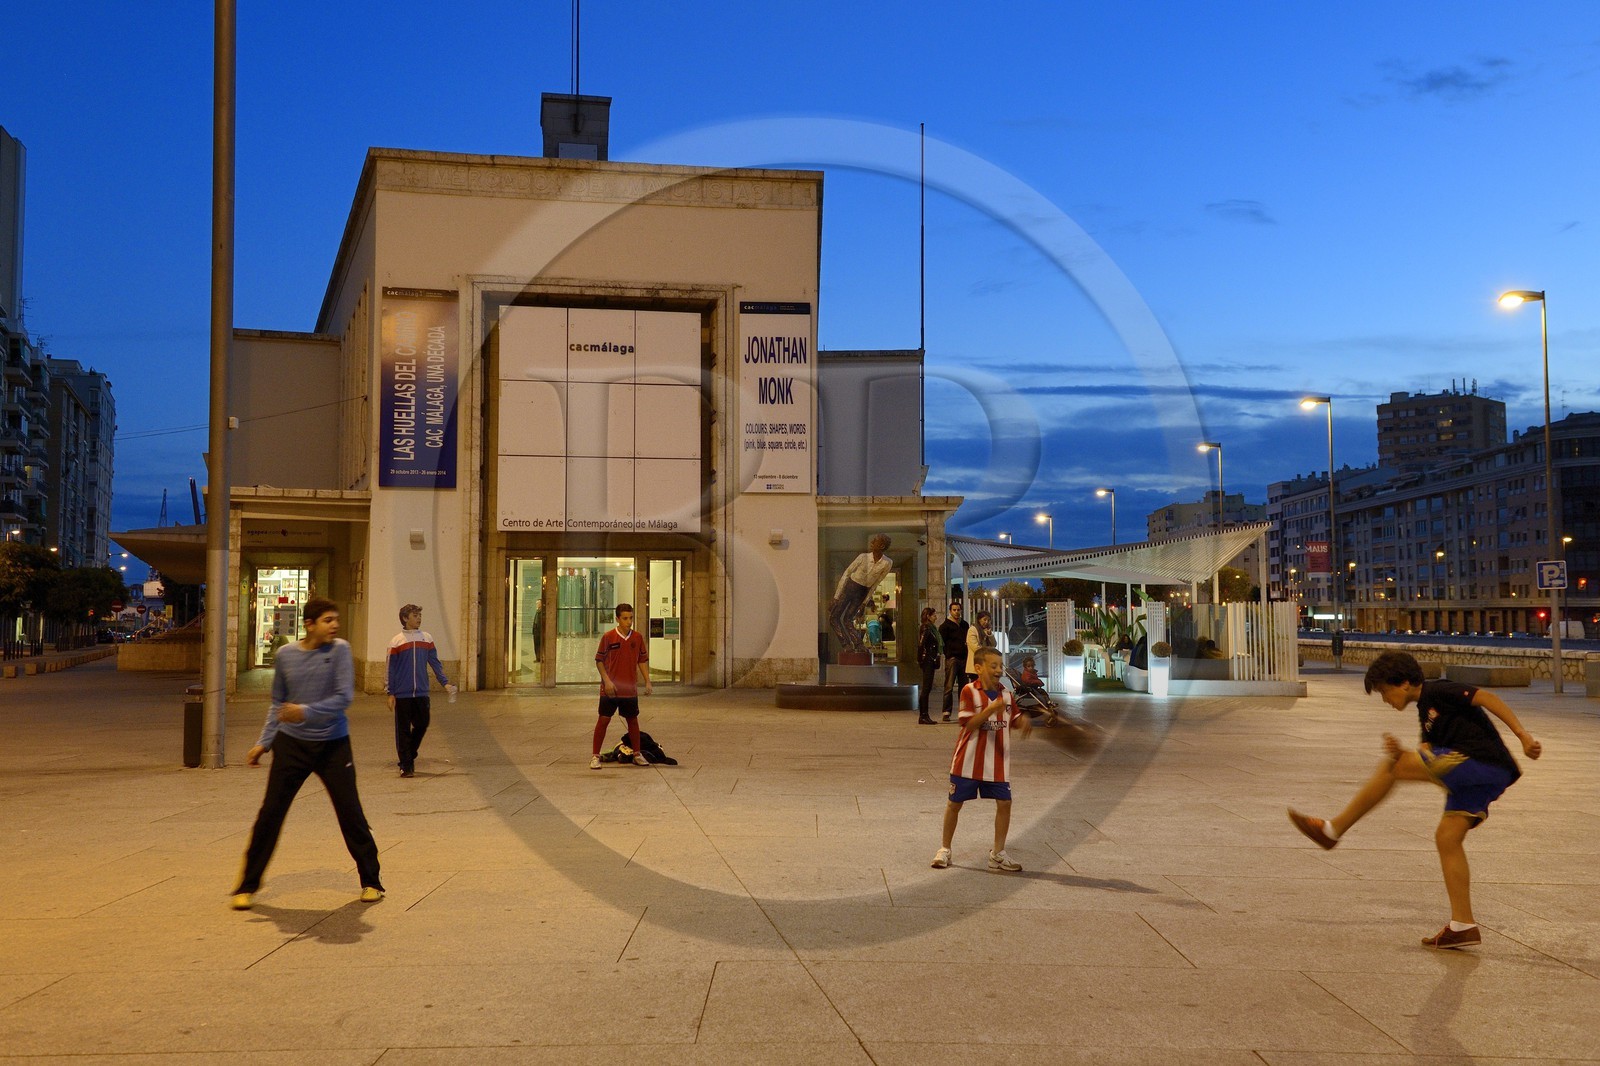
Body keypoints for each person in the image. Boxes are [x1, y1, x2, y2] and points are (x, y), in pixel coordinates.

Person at [1287, 650, 1542, 949]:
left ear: (1405, 683)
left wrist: (1523, 736)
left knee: (1390, 767)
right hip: (1486, 775)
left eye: (1384, 690)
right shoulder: (1426, 710)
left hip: (1480, 762)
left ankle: (1332, 830)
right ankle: (1463, 925)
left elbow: (1486, 697)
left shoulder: (1439, 690)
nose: (1384, 699)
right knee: (1447, 837)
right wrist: (1403, 752)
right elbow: (1427, 749)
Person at [232, 597, 383, 910]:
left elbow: (344, 697)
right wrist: (265, 742)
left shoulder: (340, 650)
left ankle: (371, 882)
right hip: (292, 745)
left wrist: (306, 712)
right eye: (328, 620)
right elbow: (278, 703)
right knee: (270, 814)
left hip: (333, 743)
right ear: (310, 624)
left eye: (336, 620)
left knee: (350, 812)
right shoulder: (286, 655)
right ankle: (246, 886)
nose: (335, 626)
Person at [931, 646, 1032, 871]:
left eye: (1000, 666)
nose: (998, 670)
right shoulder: (969, 691)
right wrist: (990, 710)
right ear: (978, 668)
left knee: (1005, 803)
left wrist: (1022, 722)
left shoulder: (1007, 694)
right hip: (967, 761)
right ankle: (944, 849)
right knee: (954, 803)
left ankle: (998, 853)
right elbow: (968, 723)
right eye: (993, 665)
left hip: (996, 763)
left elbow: (1013, 717)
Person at [384, 603, 457, 778]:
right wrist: (390, 692)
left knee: (423, 723)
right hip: (403, 693)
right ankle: (406, 765)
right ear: (405, 618)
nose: (419, 619)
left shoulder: (427, 638)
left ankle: (409, 753)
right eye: (415, 616)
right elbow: (390, 668)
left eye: (419, 616)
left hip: (422, 692)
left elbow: (435, 662)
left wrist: (445, 682)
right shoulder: (396, 641)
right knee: (402, 730)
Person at [591, 602, 653, 769]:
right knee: (603, 720)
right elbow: (599, 661)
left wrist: (647, 681)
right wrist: (607, 681)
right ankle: (595, 756)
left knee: (632, 720)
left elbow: (642, 660)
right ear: (617, 619)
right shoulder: (608, 637)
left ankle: (637, 754)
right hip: (610, 690)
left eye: (631, 618)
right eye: (625, 618)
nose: (629, 621)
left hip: (629, 689)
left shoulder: (637, 638)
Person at [827, 534, 893, 655]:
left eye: (876, 541)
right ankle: (846, 644)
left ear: (882, 546)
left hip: (862, 592)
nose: (872, 541)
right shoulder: (863, 557)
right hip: (849, 588)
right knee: (833, 618)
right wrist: (836, 597)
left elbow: (875, 584)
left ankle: (858, 645)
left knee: (848, 619)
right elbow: (847, 573)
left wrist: (864, 603)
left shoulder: (887, 563)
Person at [937, 602, 969, 723]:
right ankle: (946, 712)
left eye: (958, 610)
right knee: (949, 686)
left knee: (963, 687)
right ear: (950, 611)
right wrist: (948, 653)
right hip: (952, 658)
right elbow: (942, 642)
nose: (957, 612)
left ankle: (963, 711)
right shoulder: (945, 626)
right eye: (954, 610)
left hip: (963, 658)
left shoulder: (964, 624)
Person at [914, 606, 940, 725]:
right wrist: (921, 659)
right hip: (928, 660)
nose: (936, 617)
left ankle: (925, 715)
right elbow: (921, 645)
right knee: (926, 688)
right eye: (934, 615)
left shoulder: (932, 628)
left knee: (927, 688)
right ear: (928, 616)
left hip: (930, 659)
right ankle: (923, 715)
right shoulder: (926, 628)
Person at [966, 610, 997, 686]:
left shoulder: (986, 631)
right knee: (976, 687)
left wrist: (990, 635)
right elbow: (975, 647)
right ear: (979, 619)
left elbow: (994, 644)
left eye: (988, 620)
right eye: (984, 619)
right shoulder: (973, 630)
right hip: (975, 665)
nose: (986, 622)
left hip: (985, 665)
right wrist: (987, 653)